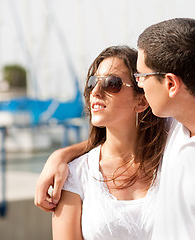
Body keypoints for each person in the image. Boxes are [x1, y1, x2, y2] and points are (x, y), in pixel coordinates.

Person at [35, 18, 195, 239]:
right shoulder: (179, 130)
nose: (140, 86)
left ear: (170, 84)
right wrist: (60, 156)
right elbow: (121, 141)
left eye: (141, 78)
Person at [51, 45, 168, 240]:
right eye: (92, 83)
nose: (95, 92)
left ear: (141, 101)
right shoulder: (76, 174)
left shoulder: (172, 156)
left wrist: (60, 154)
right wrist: (59, 156)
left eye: (111, 83)